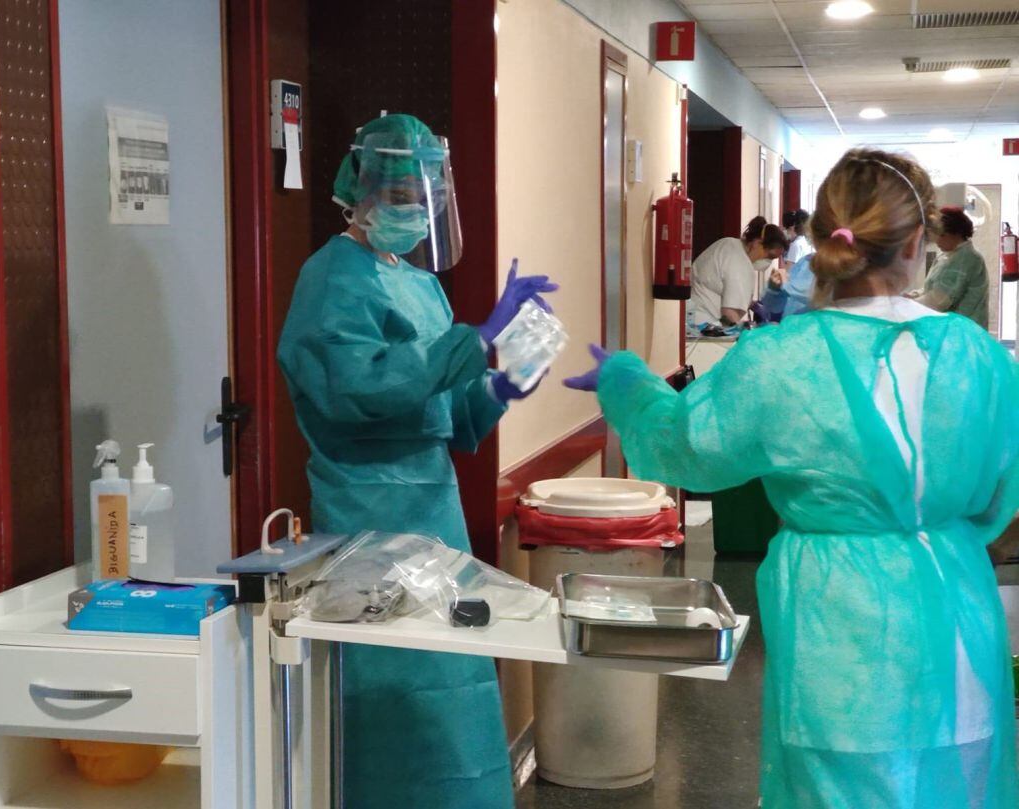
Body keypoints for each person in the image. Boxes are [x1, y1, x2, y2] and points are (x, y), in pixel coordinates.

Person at [565, 148, 1018, 808]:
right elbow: (1002, 499)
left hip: (840, 640)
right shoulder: (979, 358)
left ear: (823, 240)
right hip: (959, 637)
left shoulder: (781, 361)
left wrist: (625, 381)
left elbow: (685, 447)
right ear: (919, 240)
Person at [277, 113, 556, 809]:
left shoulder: (422, 285)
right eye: (402, 196)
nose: (415, 211)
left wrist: (504, 376)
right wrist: (473, 338)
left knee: (453, 689)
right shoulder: (330, 277)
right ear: (361, 191)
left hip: (437, 515)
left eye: (424, 195)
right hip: (366, 516)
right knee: (392, 694)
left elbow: (452, 415)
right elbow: (355, 386)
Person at [689, 216, 789, 327]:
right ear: (757, 243)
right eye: (770, 256)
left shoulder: (727, 243)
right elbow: (730, 315)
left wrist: (749, 302)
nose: (768, 262)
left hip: (690, 317)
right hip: (705, 324)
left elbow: (717, 284)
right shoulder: (741, 261)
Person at [908, 206, 990, 328]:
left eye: (942, 235)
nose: (937, 241)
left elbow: (938, 301)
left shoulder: (966, 259)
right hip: (954, 331)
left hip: (963, 332)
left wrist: (905, 305)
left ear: (957, 233)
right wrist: (912, 296)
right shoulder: (948, 256)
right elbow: (932, 289)